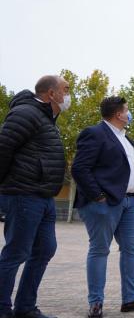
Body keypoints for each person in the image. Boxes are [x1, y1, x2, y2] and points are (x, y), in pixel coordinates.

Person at [71, 97, 134, 318]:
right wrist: (98, 196)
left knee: (132, 249)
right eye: (127, 110)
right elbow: (80, 169)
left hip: (130, 203)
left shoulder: (125, 138)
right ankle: (96, 303)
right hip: (105, 203)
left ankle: (131, 299)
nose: (129, 114)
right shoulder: (95, 133)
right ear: (118, 114)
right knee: (100, 249)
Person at [0, 75, 70, 318]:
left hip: (43, 196)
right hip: (23, 193)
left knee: (44, 249)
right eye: (65, 89)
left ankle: (25, 307)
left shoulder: (47, 119)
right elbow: (3, 148)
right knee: (16, 252)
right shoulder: (26, 113)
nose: (68, 95)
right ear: (51, 94)